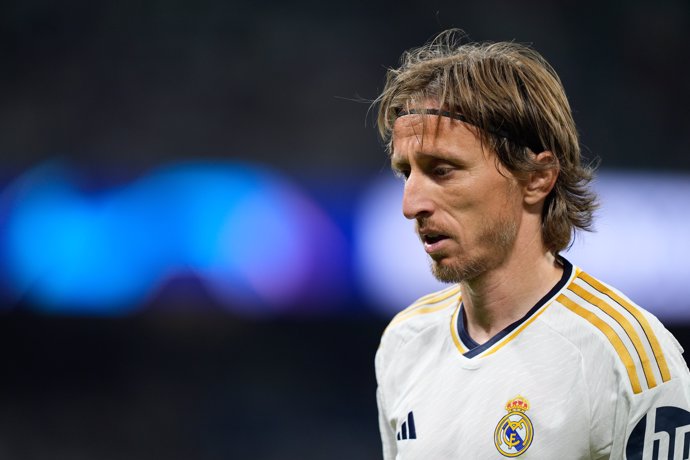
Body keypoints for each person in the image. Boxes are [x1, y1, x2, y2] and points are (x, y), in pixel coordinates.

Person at [373, 29, 690, 459]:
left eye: (442, 170)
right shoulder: (404, 343)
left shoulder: (627, 359)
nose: (411, 204)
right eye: (405, 173)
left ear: (537, 178)